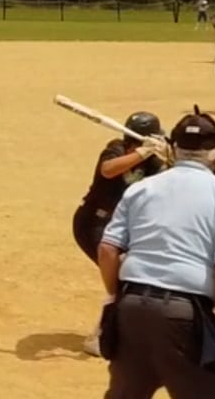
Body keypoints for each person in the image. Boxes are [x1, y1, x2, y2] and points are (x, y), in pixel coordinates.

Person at [97, 109, 215, 399]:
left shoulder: (141, 188)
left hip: (131, 309)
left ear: (174, 148)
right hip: (184, 316)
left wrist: (116, 296)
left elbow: (107, 249)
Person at [75, 112, 173, 356]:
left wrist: (171, 159)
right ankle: (100, 337)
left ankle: (118, 332)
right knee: (122, 278)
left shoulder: (151, 161)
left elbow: (170, 182)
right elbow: (108, 170)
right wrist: (142, 152)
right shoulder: (115, 149)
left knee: (135, 276)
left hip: (120, 227)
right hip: (92, 223)